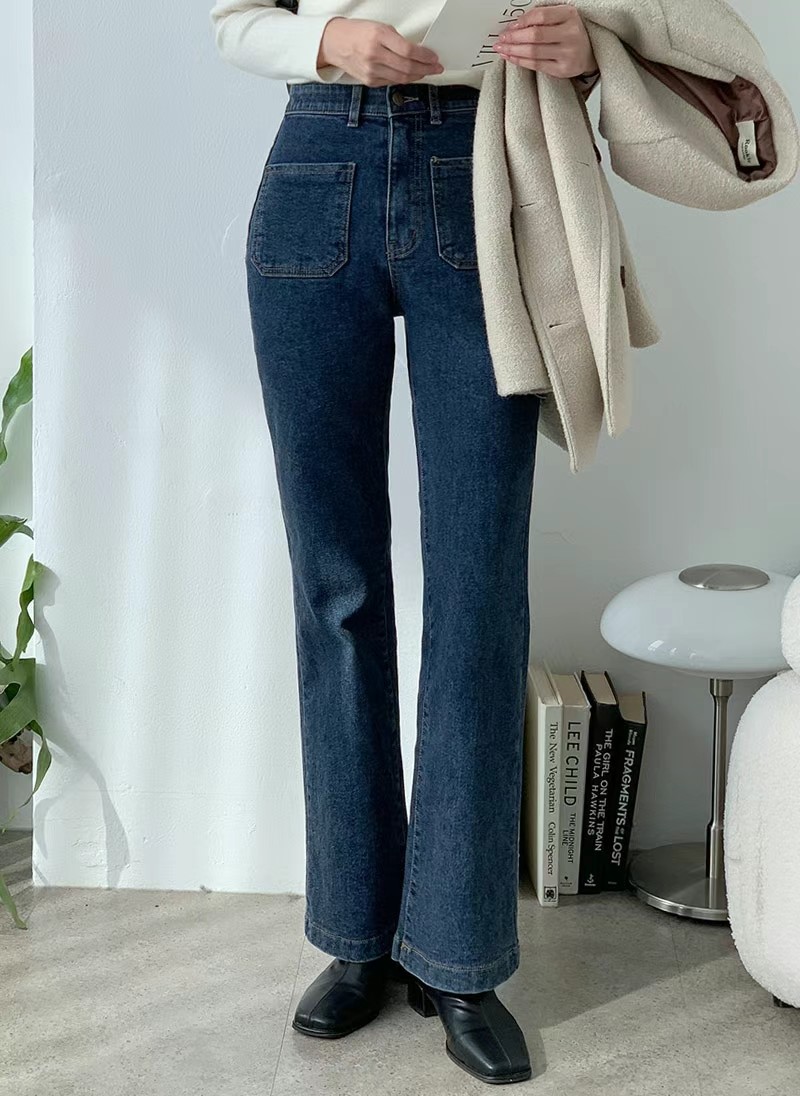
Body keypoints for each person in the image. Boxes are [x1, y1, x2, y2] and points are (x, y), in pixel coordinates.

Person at [209, 1, 598, 1084]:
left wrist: (585, 52)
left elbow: (600, 20)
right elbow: (232, 20)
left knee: (477, 593)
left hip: (481, 168)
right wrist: (326, 40)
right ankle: (357, 937)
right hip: (315, 164)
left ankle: (458, 958)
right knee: (335, 592)